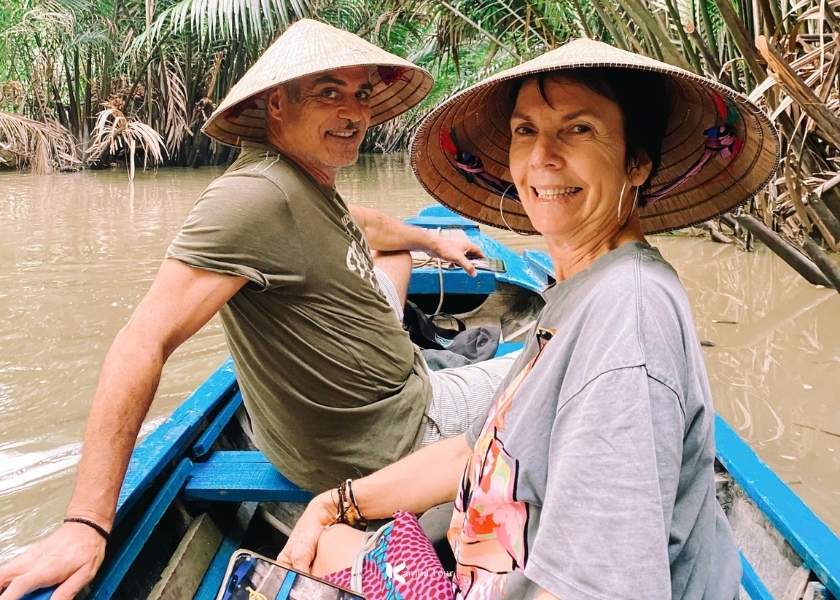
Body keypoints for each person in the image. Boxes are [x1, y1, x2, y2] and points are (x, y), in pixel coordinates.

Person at [0, 19, 518, 600]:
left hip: (360, 411)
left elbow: (361, 222)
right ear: (278, 103)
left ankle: (422, 347)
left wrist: (433, 241)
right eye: (329, 92)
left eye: (362, 94)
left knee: (394, 252)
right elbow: (142, 340)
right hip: (390, 434)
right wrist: (85, 522)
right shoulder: (254, 197)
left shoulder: (300, 182)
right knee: (560, 367)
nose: (353, 112)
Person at [277, 38, 780, 599]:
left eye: (579, 129)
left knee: (321, 564)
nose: (542, 156)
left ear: (637, 162)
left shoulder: (627, 320)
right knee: (331, 541)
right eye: (525, 130)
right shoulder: (581, 292)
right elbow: (476, 449)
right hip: (487, 568)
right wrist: (337, 502)